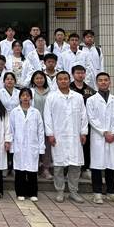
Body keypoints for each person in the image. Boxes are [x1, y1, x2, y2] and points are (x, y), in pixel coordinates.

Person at [44, 71, 88, 204]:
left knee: (75, 165)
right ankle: (60, 191)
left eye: (65, 79)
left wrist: (83, 132)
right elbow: (47, 117)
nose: (63, 81)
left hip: (75, 136)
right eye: (60, 79)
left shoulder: (78, 97)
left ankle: (73, 191)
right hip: (59, 136)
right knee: (58, 166)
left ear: (69, 80)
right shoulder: (52, 97)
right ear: (57, 81)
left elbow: (84, 115)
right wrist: (50, 134)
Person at [86, 72, 114, 205]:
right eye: (100, 80)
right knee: (97, 165)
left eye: (106, 80)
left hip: (113, 137)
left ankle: (112, 192)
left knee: (111, 164)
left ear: (110, 82)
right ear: (97, 83)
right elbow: (91, 118)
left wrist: (113, 133)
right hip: (98, 136)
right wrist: (104, 132)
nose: (103, 82)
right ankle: (97, 193)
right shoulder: (91, 100)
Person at [10, 88, 45, 201]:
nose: (25, 97)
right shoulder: (14, 112)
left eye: (27, 95)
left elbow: (40, 131)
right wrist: (12, 146)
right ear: (20, 97)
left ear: (31, 97)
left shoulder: (36, 112)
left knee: (32, 171)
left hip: (32, 145)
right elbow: (11, 130)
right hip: (19, 145)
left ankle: (32, 193)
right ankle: (20, 192)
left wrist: (41, 147)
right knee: (19, 170)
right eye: (23, 95)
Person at [69, 65, 96, 180]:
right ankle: (69, 168)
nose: (80, 75)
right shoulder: (68, 88)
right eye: (78, 73)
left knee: (86, 145)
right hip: (70, 122)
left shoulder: (90, 90)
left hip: (86, 122)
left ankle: (85, 168)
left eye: (82, 73)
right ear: (73, 74)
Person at [30, 71, 53, 180]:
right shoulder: (31, 92)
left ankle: (45, 169)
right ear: (33, 80)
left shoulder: (50, 92)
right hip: (34, 123)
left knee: (46, 147)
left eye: (41, 78)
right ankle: (35, 168)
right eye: (37, 78)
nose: (39, 80)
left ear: (45, 79)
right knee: (34, 146)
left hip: (47, 123)